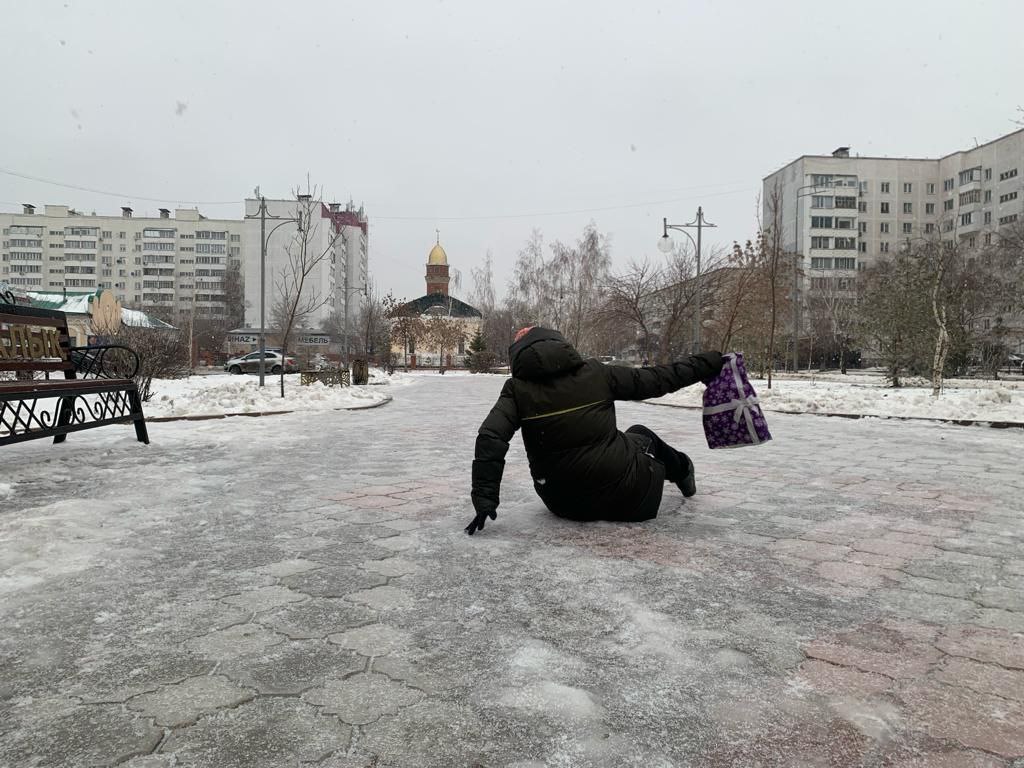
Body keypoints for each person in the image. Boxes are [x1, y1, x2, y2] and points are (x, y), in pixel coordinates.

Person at [466, 326, 724, 535]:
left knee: (627, 439)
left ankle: (679, 469)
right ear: (561, 344)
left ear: (518, 354)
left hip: (562, 501)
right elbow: (659, 379)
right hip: (627, 494)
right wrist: (708, 363)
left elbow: (491, 437)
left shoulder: (517, 390)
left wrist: (485, 499)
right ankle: (683, 469)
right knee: (641, 433)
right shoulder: (597, 373)